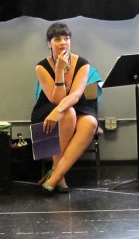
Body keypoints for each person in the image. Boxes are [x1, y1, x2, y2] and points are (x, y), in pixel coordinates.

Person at [31, 22, 99, 194]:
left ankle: (55, 173)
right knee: (67, 113)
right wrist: (59, 71)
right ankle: (58, 179)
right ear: (49, 43)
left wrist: (57, 111)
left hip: (78, 105)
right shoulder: (41, 67)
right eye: (57, 39)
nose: (63, 43)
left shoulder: (83, 63)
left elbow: (75, 96)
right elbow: (56, 99)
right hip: (48, 106)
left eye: (66, 38)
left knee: (90, 122)